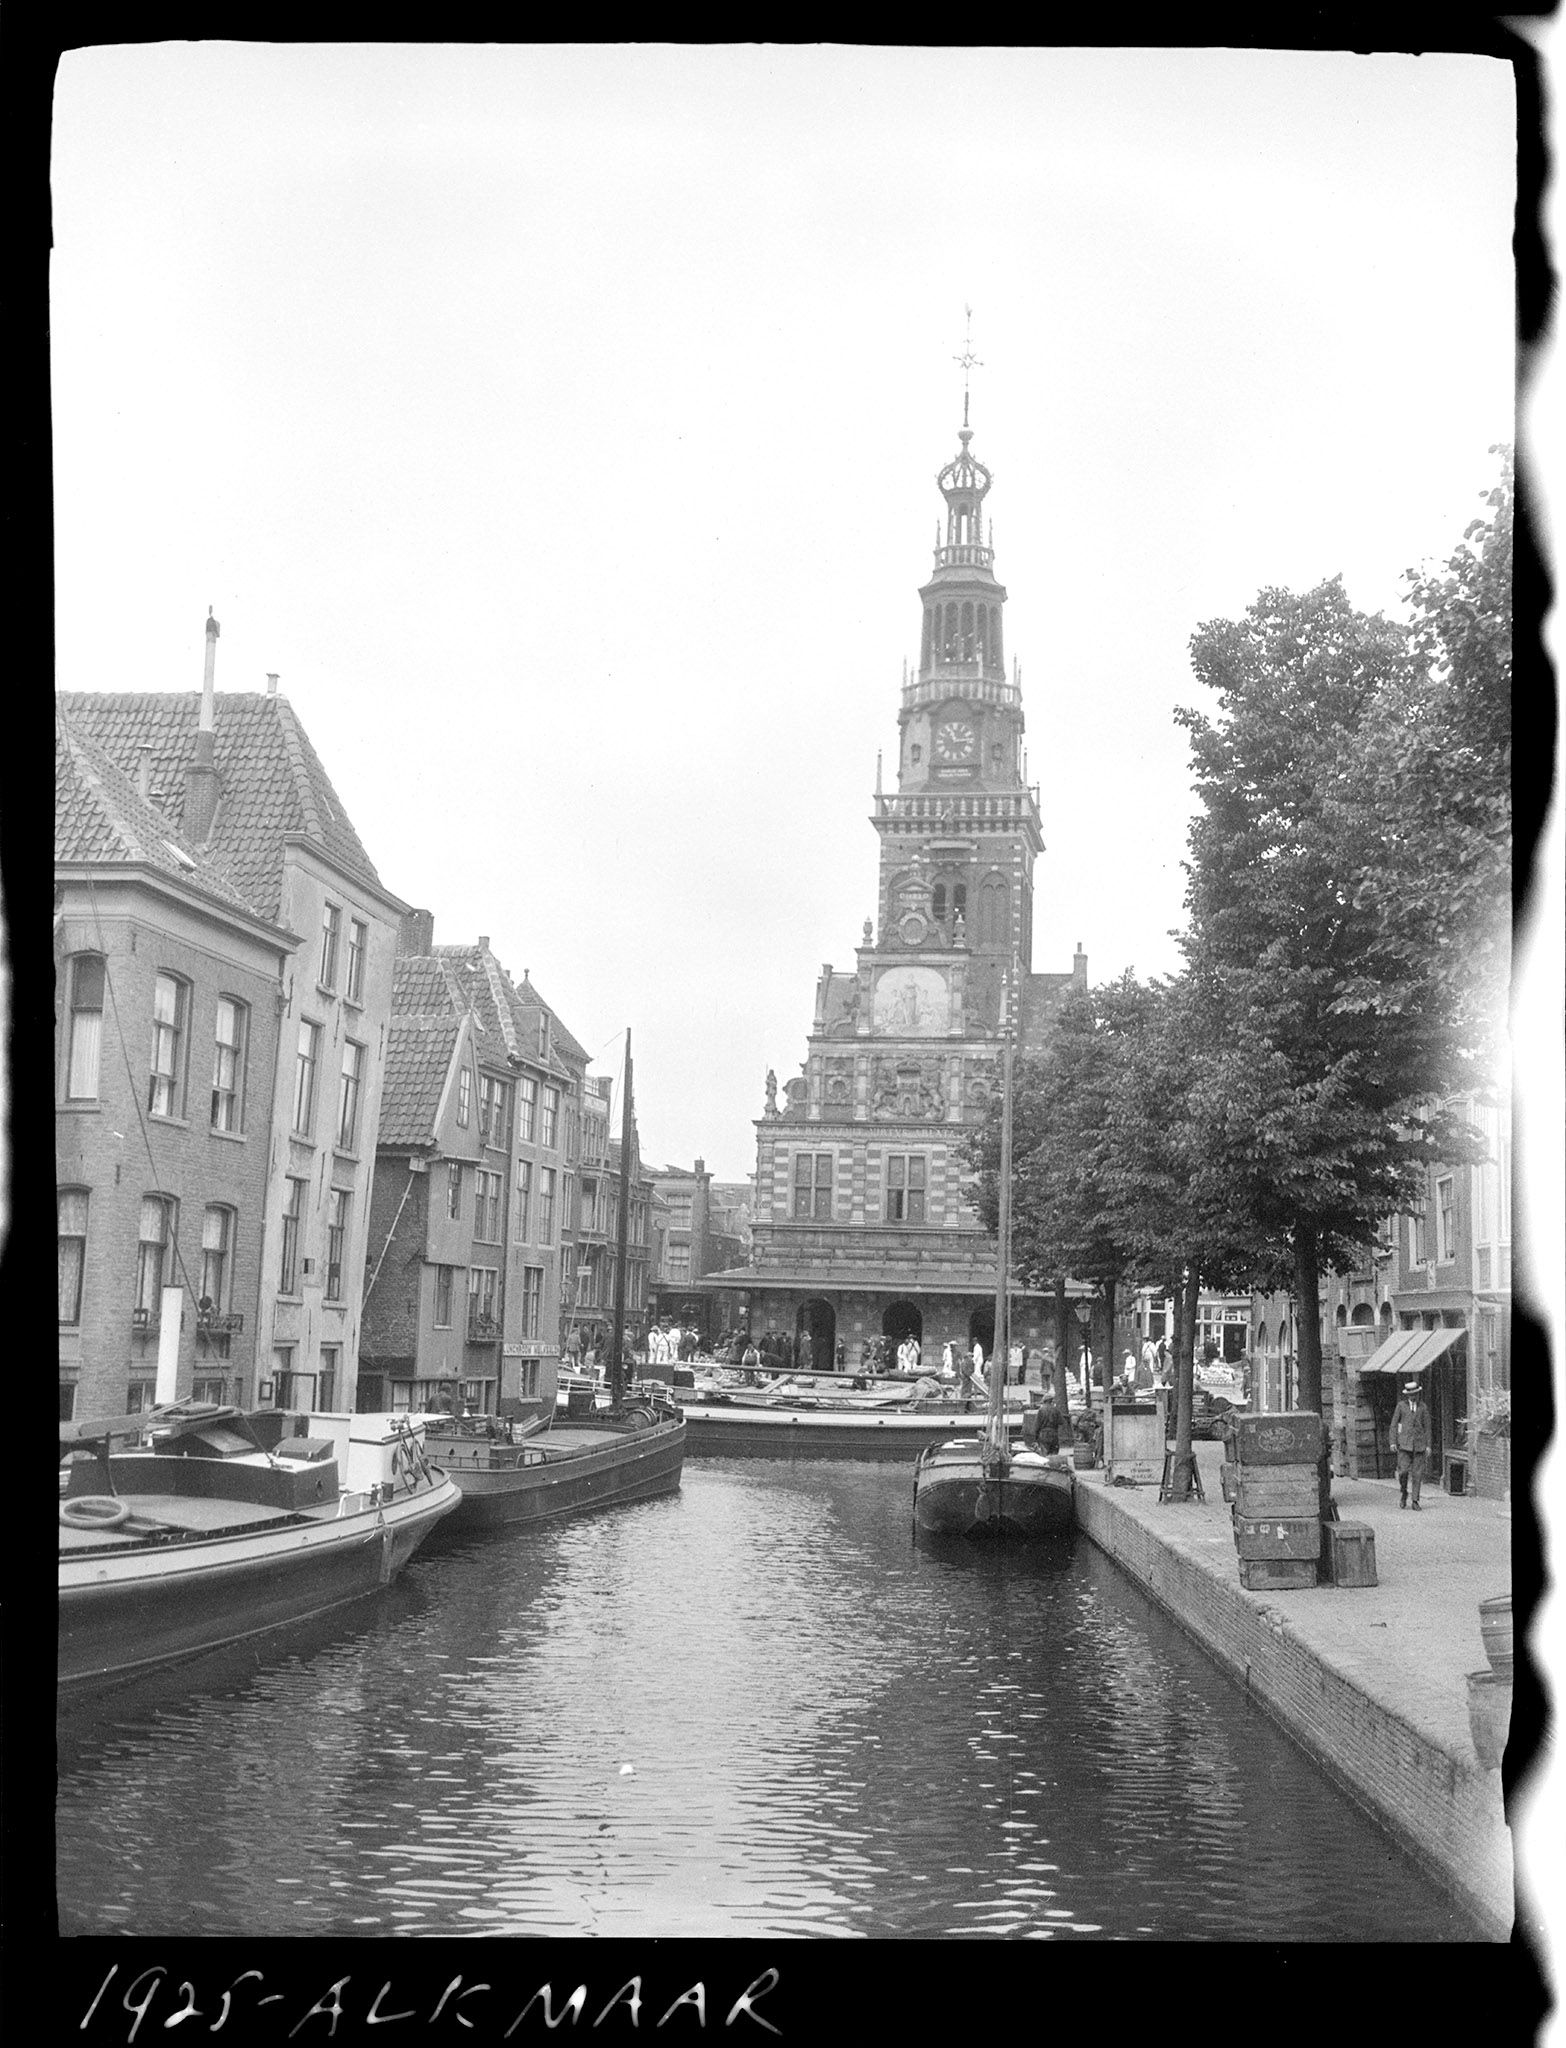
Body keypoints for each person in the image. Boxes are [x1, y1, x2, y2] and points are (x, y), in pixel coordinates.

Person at [1389, 1377, 1432, 1509]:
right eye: (1411, 1395)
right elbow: (1394, 1425)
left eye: (1415, 1394)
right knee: (1403, 1472)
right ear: (1407, 1395)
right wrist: (1393, 1442)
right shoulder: (1401, 1407)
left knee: (1417, 1474)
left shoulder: (1423, 1407)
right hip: (1404, 1445)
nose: (1413, 1397)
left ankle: (1415, 1501)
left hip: (1419, 1445)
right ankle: (1403, 1493)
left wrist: (1428, 1445)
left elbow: (1427, 1427)